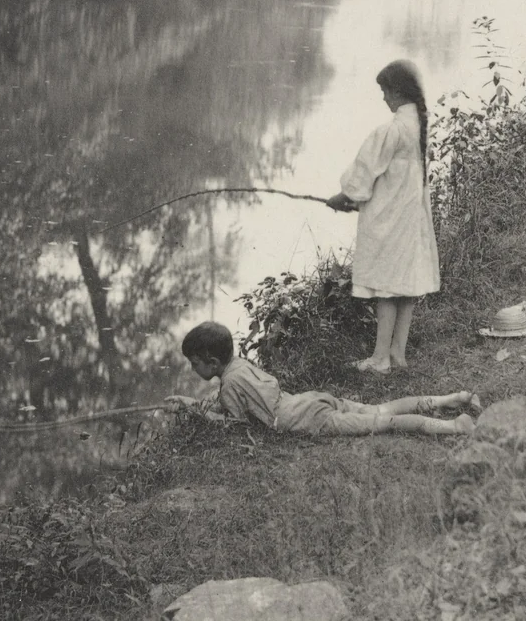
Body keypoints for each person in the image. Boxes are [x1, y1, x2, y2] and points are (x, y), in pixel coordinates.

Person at [166, 322, 477, 437]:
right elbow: (237, 401)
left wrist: (195, 410)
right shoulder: (239, 366)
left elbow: (235, 426)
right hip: (308, 400)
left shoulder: (230, 383)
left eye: (195, 364)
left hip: (306, 420)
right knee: (380, 409)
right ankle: (454, 398)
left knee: (385, 424)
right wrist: (195, 404)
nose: (193, 370)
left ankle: (453, 426)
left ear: (213, 362)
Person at [326, 59, 440, 374]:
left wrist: (344, 196)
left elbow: (363, 174)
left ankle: (380, 360)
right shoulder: (418, 124)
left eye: (385, 91)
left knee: (388, 288)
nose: (383, 98)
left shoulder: (391, 130)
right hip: (409, 218)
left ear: (398, 91)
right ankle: (397, 354)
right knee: (405, 286)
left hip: (391, 221)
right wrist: (356, 198)